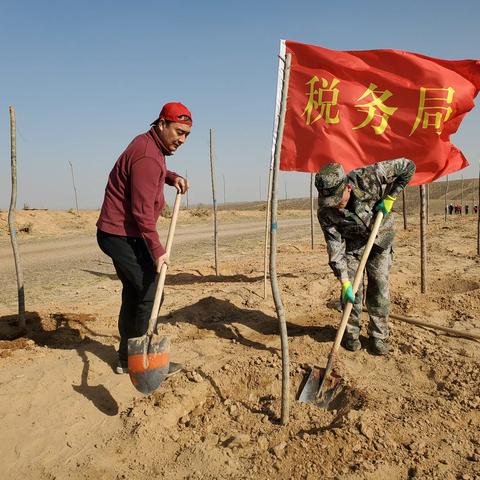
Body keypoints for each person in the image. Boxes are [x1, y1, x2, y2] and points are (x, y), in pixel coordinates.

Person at [96, 102, 192, 374]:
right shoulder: (149, 156)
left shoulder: (148, 145)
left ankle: (127, 360)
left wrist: (171, 176)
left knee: (135, 293)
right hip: (122, 234)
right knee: (150, 293)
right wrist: (158, 250)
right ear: (162, 124)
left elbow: (149, 172)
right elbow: (141, 213)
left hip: (118, 233)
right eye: (178, 131)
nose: (182, 140)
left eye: (186, 134)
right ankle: (142, 362)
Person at [315, 159, 415, 355]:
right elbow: (335, 247)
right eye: (330, 202)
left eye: (338, 199)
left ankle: (378, 336)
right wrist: (344, 281)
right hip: (353, 247)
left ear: (348, 187)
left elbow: (408, 166)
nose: (336, 206)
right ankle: (350, 334)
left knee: (378, 287)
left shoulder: (370, 176)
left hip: (380, 240)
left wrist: (391, 197)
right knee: (352, 291)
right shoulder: (326, 212)